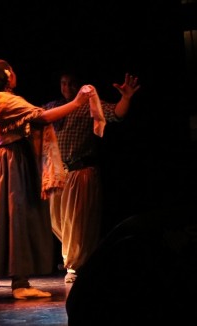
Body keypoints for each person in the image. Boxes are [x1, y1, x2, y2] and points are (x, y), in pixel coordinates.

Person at [0, 59, 94, 301]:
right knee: (17, 217)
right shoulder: (6, 100)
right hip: (14, 163)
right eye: (12, 70)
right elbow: (43, 117)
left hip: (7, 162)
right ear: (7, 74)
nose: (15, 73)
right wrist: (77, 103)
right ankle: (19, 284)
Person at [43, 71, 140, 282]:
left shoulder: (89, 104)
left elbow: (116, 113)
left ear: (79, 85)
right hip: (57, 173)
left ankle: (73, 265)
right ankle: (80, 256)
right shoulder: (53, 107)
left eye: (71, 83)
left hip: (81, 170)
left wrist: (126, 98)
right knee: (54, 220)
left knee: (75, 222)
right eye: (63, 83)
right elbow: (34, 119)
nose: (67, 88)